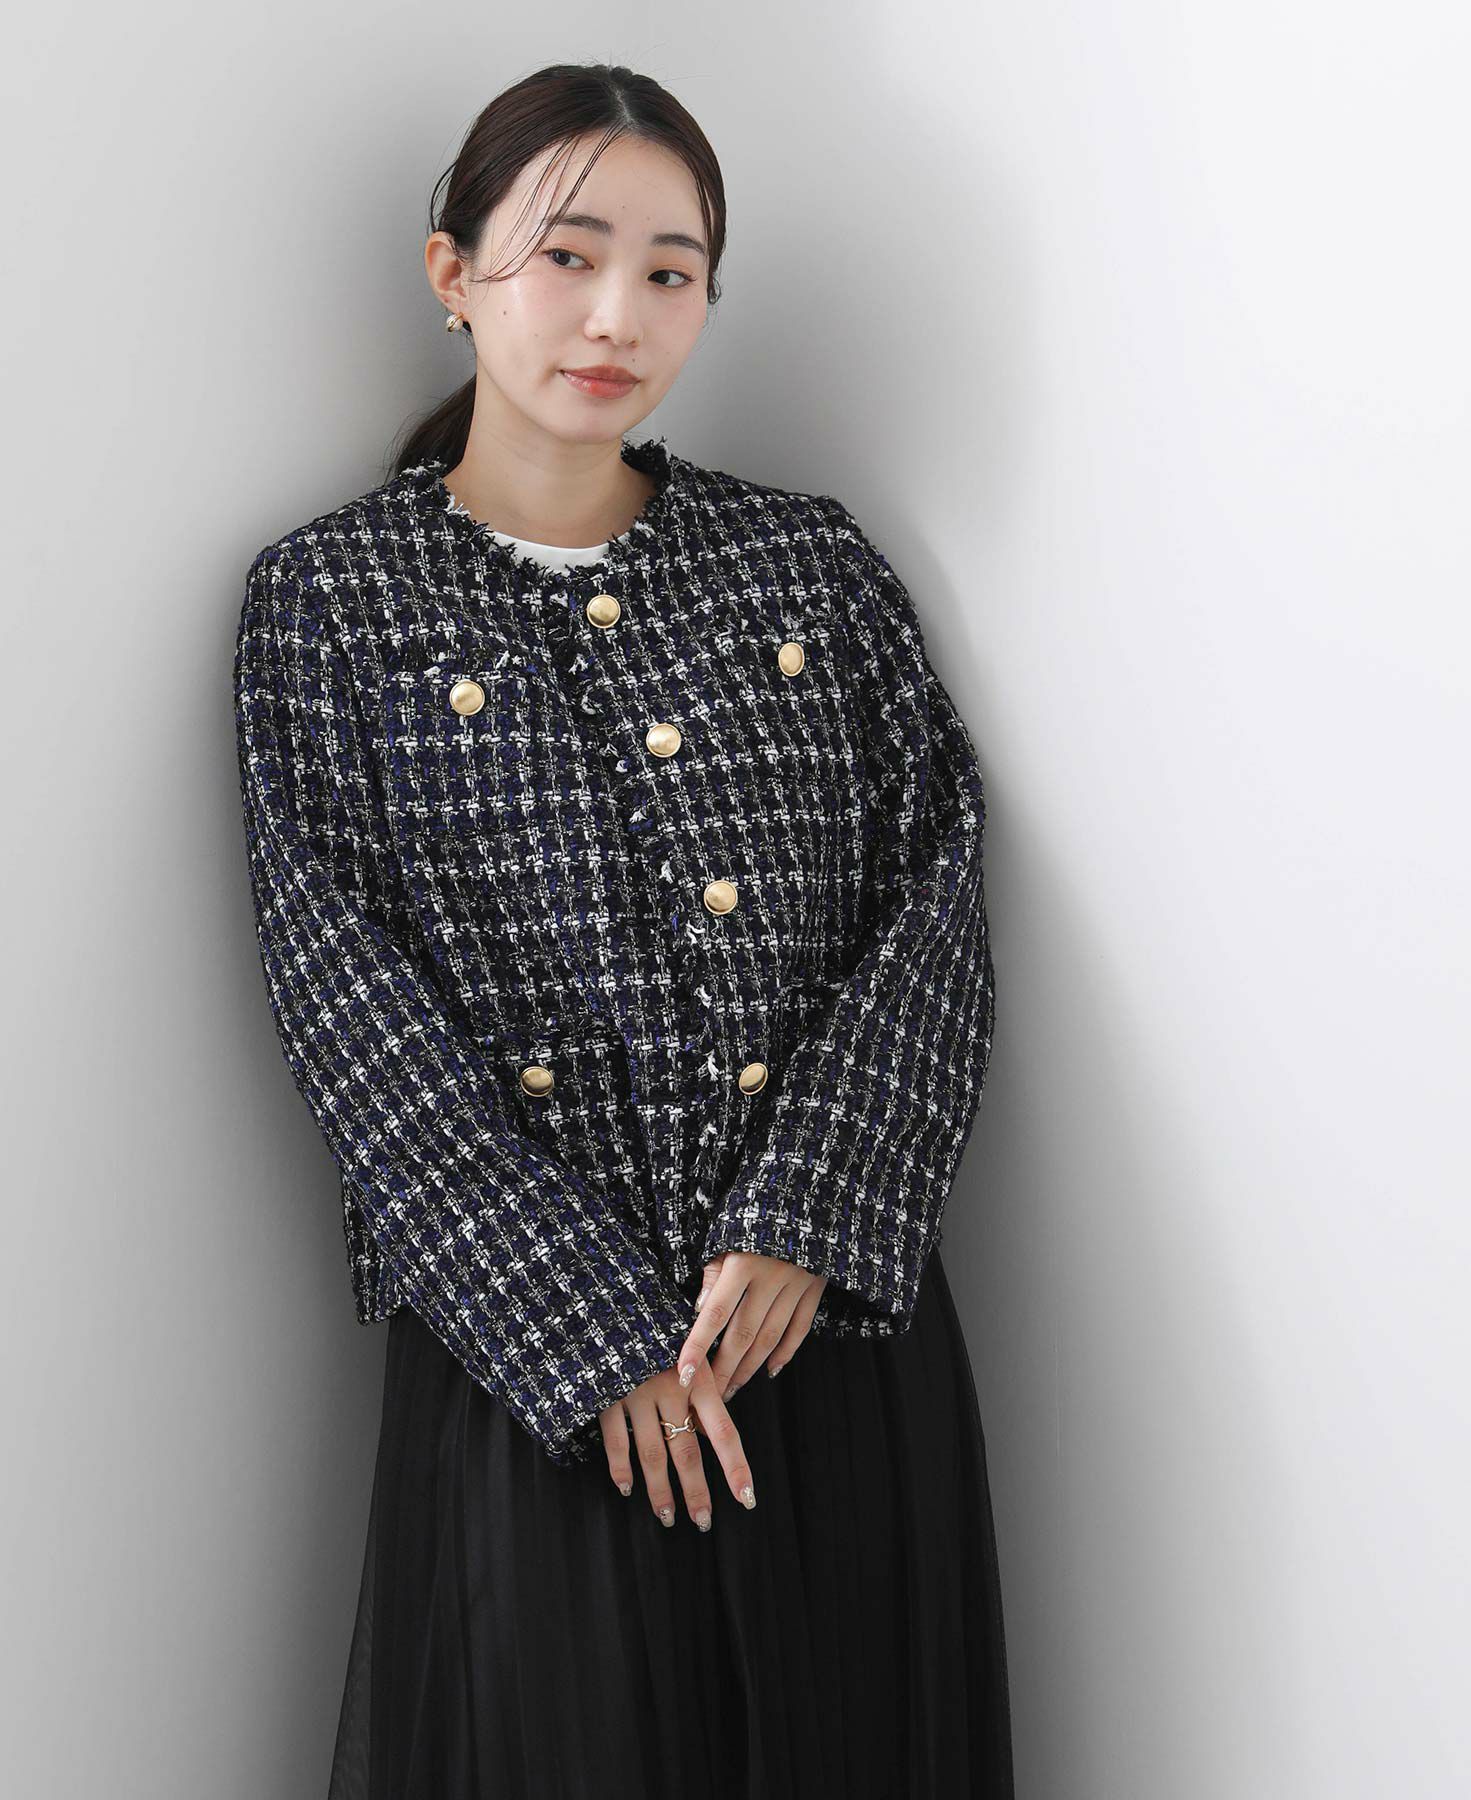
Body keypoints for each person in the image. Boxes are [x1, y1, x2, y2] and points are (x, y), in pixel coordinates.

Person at [233, 60, 1016, 1800]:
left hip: (829, 1343)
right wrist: (582, 1336)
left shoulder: (808, 564)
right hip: (533, 1376)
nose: (618, 315)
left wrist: (811, 1216)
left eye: (672, 271)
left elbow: (941, 893)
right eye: (568, 257)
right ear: (455, 274)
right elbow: (345, 1000)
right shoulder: (330, 601)